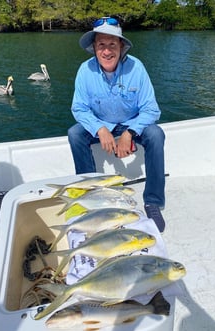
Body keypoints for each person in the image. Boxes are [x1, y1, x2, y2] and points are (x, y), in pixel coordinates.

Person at [68, 17, 166, 232]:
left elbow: (151, 109)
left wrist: (130, 132)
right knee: (75, 134)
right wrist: (100, 129)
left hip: (131, 125)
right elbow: (79, 109)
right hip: (101, 125)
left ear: (122, 47)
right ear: (94, 48)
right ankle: (91, 195)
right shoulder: (85, 71)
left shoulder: (136, 68)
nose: (106, 51)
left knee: (156, 134)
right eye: (101, 44)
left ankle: (153, 201)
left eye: (112, 44)